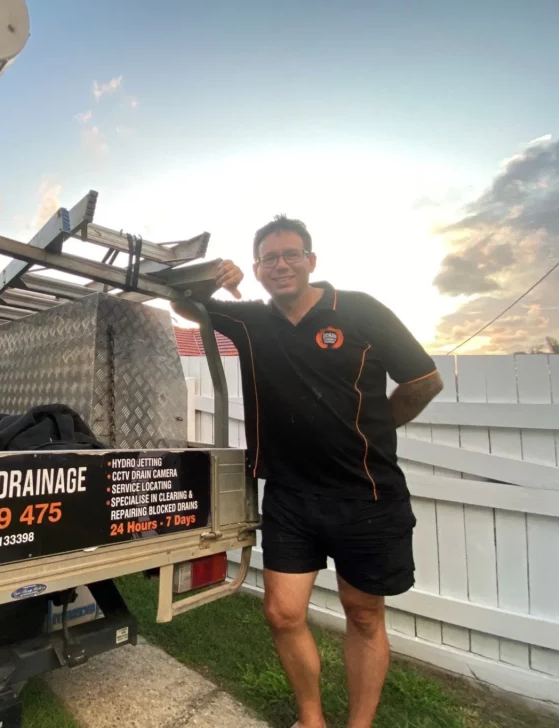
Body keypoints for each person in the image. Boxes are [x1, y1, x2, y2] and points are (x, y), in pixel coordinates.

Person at [173, 215, 443, 728]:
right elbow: (185, 306)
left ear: (311, 261)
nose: (281, 265)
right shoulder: (250, 322)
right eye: (268, 259)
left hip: (366, 494)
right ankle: (311, 719)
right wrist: (214, 277)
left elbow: (424, 381)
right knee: (282, 613)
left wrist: (377, 427)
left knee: (363, 614)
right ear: (257, 269)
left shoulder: (360, 310)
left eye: (291, 254)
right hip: (291, 496)